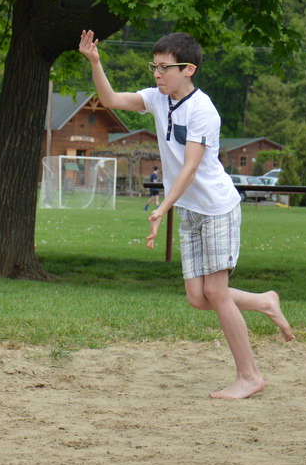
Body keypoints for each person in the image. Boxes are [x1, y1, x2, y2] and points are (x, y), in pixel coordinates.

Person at [80, 30, 294, 399]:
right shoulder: (157, 99)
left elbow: (190, 168)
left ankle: (249, 376)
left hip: (216, 208)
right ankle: (264, 301)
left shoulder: (203, 110)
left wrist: (163, 207)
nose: (157, 74)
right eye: (154, 67)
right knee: (198, 297)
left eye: (165, 68)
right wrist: (95, 62)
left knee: (216, 292)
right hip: (191, 210)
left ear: (188, 69)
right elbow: (110, 99)